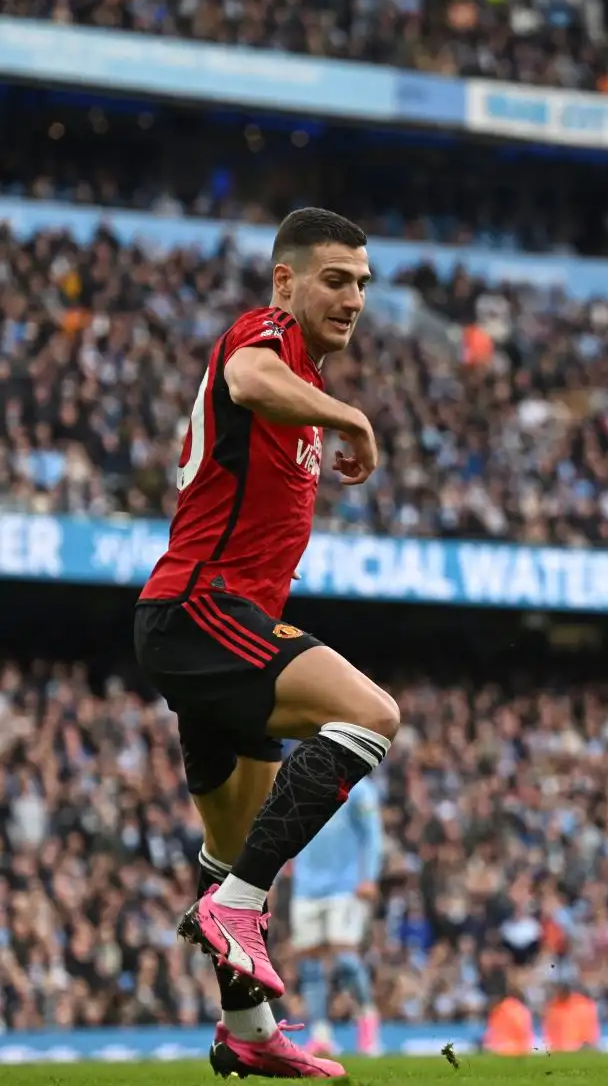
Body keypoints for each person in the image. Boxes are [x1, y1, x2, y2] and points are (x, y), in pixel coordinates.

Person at [134, 207, 401, 1080]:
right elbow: (246, 379)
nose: (353, 297)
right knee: (370, 714)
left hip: (206, 630)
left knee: (228, 842)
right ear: (285, 281)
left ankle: (246, 1028)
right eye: (336, 278)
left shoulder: (304, 383)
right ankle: (241, 908)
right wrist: (352, 415)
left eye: (363, 282)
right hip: (197, 609)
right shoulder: (267, 336)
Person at [291, 776, 384, 1057]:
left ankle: (367, 1021)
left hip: (345, 885)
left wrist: (369, 876)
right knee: (310, 964)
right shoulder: (301, 781)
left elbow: (373, 834)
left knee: (345, 958)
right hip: (305, 886)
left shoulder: (360, 787)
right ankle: (320, 1034)